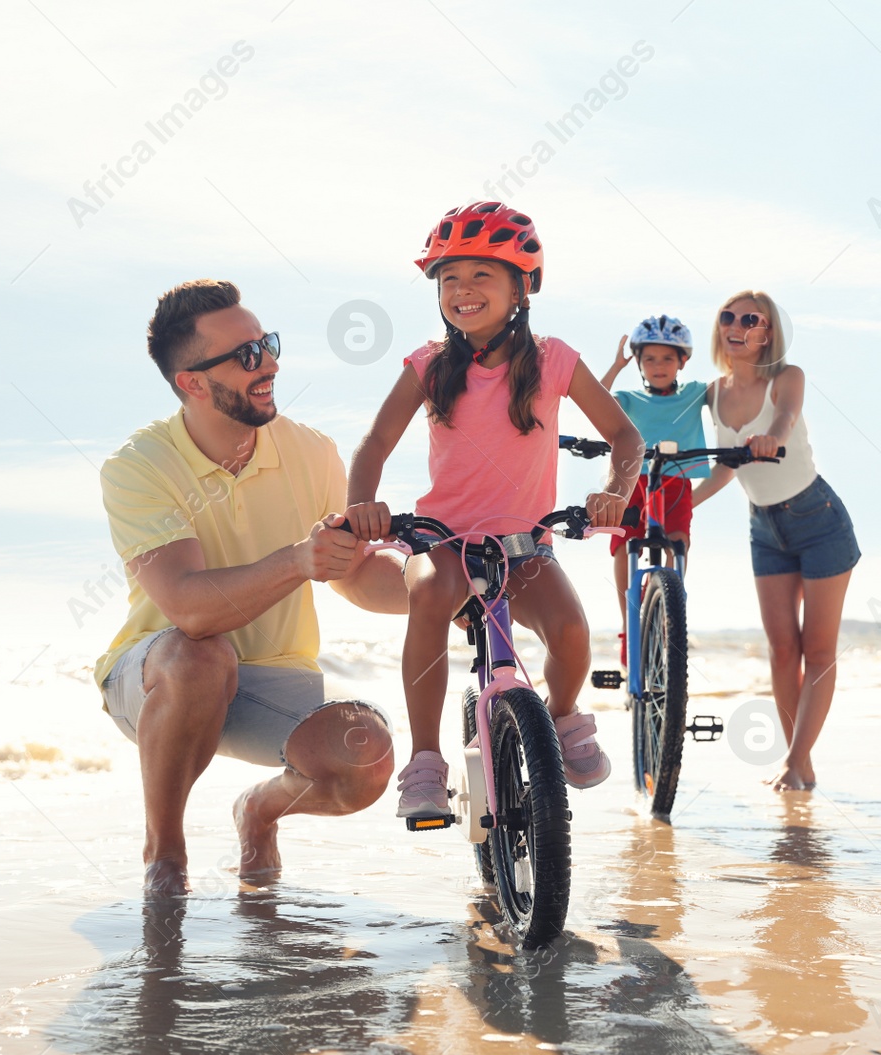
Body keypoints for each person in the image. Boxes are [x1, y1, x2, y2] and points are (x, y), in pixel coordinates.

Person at [96, 279, 408, 896]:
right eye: (245, 355)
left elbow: (355, 572)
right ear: (191, 381)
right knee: (199, 653)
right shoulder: (137, 467)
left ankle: (258, 812)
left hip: (272, 676)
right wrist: (299, 560)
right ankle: (166, 857)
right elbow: (188, 607)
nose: (268, 362)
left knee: (364, 758)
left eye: (266, 343)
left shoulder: (314, 452)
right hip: (160, 676)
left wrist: (438, 588)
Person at [345, 200, 643, 823]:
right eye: (449, 279)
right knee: (430, 596)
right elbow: (373, 444)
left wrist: (615, 489)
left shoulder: (555, 359)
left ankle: (561, 717)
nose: (462, 290)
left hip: (525, 544)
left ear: (522, 287)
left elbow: (625, 438)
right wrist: (363, 507)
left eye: (482, 275)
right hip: (442, 538)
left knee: (569, 631)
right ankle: (426, 763)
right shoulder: (428, 365)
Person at [692, 290, 860, 792]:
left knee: (818, 649)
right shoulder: (712, 393)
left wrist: (770, 440)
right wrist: (682, 506)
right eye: (729, 317)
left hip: (819, 518)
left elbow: (784, 421)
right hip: (763, 527)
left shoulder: (787, 378)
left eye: (751, 319)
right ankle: (799, 763)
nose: (737, 325)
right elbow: (725, 467)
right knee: (782, 650)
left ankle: (795, 759)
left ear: (768, 334)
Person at [599, 314, 711, 665]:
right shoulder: (630, 398)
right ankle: (628, 623)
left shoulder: (694, 394)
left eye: (667, 358)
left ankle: (669, 612)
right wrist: (617, 366)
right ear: (639, 363)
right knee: (624, 545)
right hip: (633, 480)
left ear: (683, 361)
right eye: (649, 359)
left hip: (675, 481)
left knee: (678, 541)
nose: (658, 366)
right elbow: (597, 402)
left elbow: (732, 389)